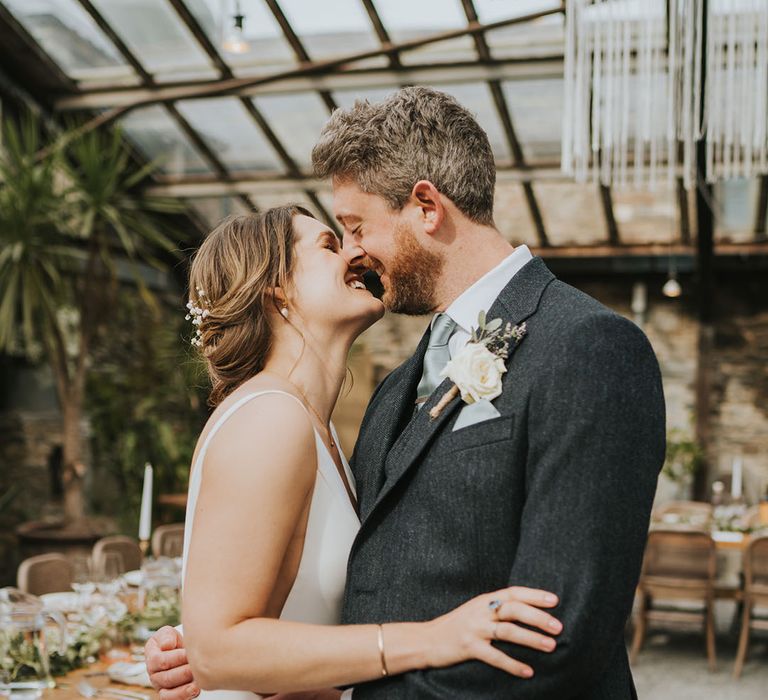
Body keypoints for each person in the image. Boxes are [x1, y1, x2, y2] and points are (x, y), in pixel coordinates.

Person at [148, 87, 665, 699]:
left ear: (426, 206)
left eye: (356, 226)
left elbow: (557, 632)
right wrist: (231, 664)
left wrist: (240, 662)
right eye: (337, 237)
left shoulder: (588, 347)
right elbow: (361, 593)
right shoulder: (393, 393)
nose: (355, 251)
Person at [163, 204, 563, 700]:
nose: (355, 253)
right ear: (276, 291)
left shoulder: (317, 427)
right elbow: (218, 651)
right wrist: (433, 639)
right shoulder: (270, 418)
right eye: (330, 245)